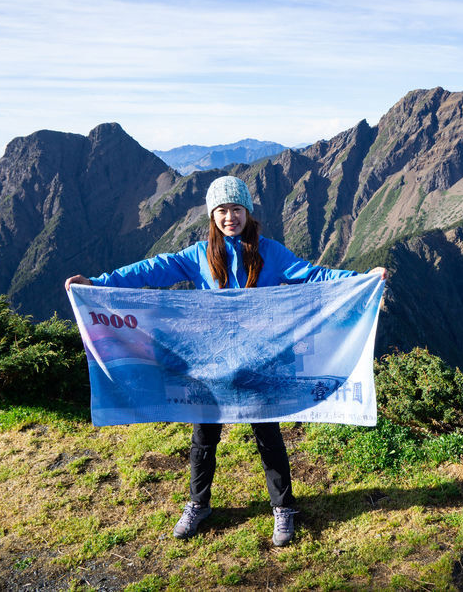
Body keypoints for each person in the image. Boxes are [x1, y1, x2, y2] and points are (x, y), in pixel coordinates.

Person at [65, 175, 386, 547]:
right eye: (221, 210)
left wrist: (361, 279)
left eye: (235, 209)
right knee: (204, 438)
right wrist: (100, 283)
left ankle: (284, 510)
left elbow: (314, 275)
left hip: (261, 362)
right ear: (212, 215)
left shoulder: (271, 252)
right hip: (210, 364)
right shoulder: (198, 255)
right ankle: (198, 505)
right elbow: (153, 269)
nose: (229, 217)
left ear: (247, 212)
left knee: (268, 436)